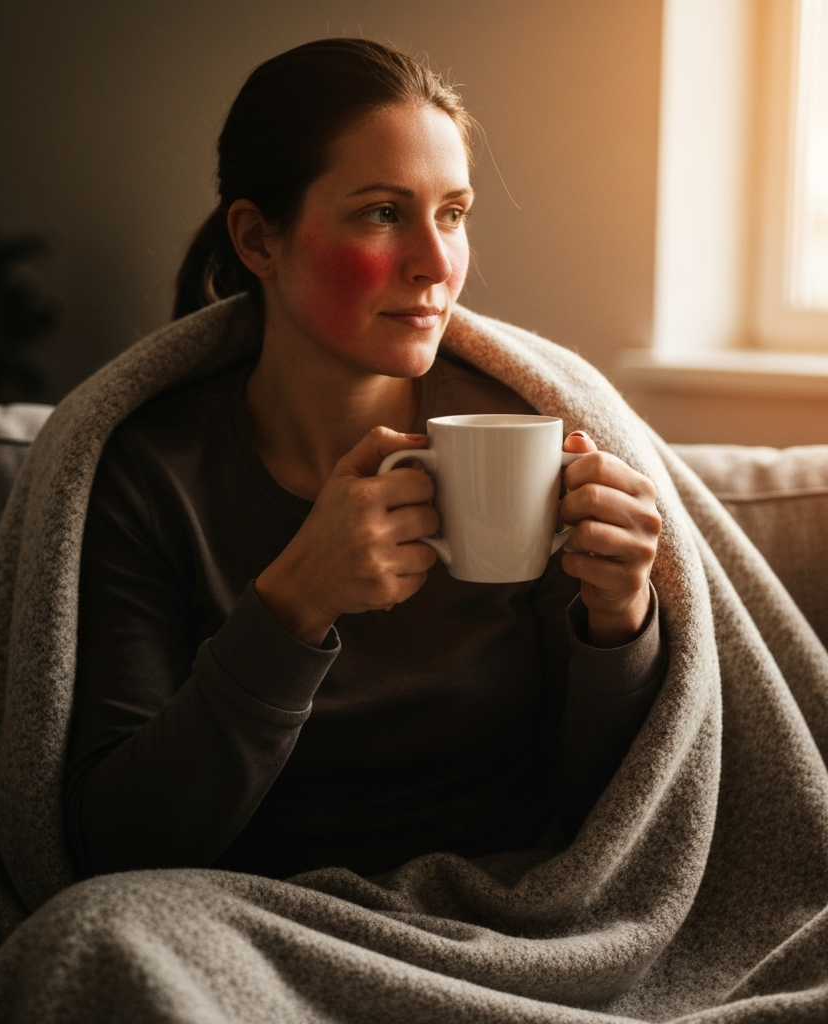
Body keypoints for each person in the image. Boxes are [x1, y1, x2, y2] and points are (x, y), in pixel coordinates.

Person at [63, 38, 664, 882]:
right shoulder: (151, 478)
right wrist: (290, 607)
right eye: (383, 212)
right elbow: (115, 847)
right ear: (257, 239)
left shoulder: (526, 438)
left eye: (452, 213)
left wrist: (620, 624)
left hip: (500, 918)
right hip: (240, 921)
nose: (437, 262)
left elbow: (615, 823)